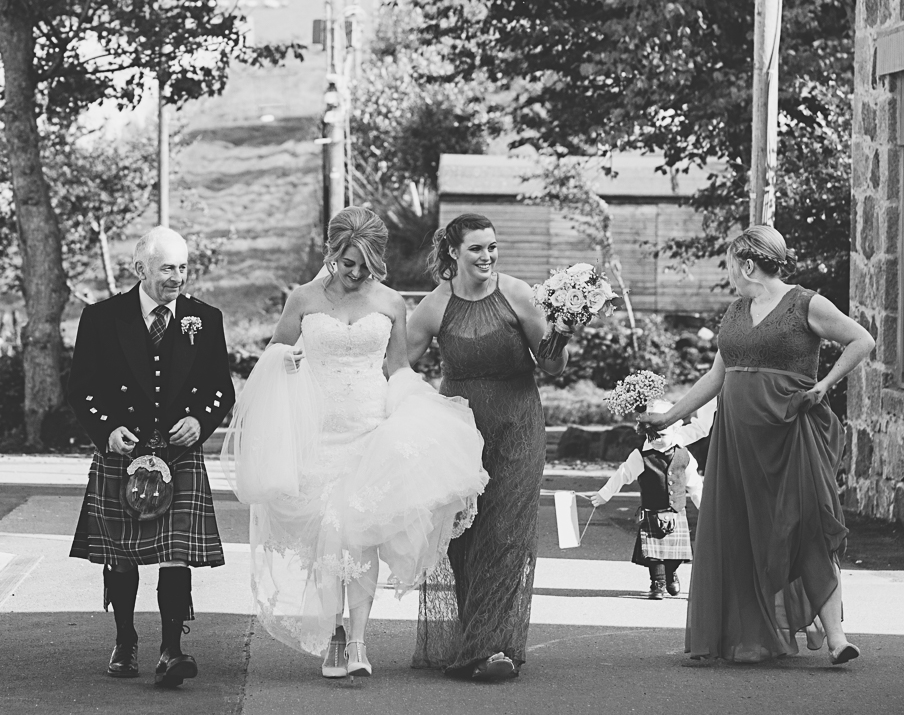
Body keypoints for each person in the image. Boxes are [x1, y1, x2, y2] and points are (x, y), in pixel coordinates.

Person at [223, 207, 487, 678]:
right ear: (332, 253)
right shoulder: (303, 299)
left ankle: (360, 642)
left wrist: (415, 404)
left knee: (359, 535)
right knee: (328, 536)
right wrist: (288, 365)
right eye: (348, 263)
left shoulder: (390, 303)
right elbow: (277, 353)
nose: (356, 272)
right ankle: (334, 639)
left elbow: (397, 366)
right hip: (317, 431)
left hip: (369, 429)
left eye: (365, 264)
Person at [641, 225, 875, 665]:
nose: (730, 273)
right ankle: (748, 633)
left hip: (790, 433)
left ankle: (838, 637)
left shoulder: (807, 303)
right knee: (742, 532)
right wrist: (668, 417)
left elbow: (862, 340)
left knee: (807, 526)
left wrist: (825, 384)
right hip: (737, 440)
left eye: (731, 264)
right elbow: (716, 377)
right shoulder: (735, 311)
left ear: (748, 264)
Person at [407, 213, 572, 681]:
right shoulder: (433, 306)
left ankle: (492, 648)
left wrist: (561, 331)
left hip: (517, 423)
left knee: (505, 532)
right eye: (477, 248)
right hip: (458, 430)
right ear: (453, 252)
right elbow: (397, 366)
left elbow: (553, 365)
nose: (487, 256)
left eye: (493, 247)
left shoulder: (517, 294)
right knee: (463, 535)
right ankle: (474, 640)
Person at [68, 226, 235, 687]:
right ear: (140, 269)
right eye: (167, 269)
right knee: (121, 554)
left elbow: (222, 387)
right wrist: (107, 430)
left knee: (176, 553)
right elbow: (81, 388)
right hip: (124, 452)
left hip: (178, 454)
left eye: (183, 267)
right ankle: (125, 639)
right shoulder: (103, 318)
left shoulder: (204, 318)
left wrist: (201, 422)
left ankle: (172, 648)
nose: (177, 277)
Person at [588, 398, 715, 599]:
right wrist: (604, 495)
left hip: (676, 513)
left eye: (661, 435)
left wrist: (706, 509)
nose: (655, 439)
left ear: (676, 430)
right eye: (650, 435)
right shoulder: (640, 455)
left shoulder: (685, 455)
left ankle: (671, 573)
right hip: (652, 513)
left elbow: (695, 485)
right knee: (654, 554)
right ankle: (658, 583)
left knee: (676, 553)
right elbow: (623, 474)